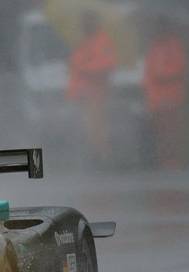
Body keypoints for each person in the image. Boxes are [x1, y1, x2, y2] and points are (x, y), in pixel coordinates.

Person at [66, 11, 118, 167]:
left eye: (87, 23)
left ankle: (103, 159)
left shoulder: (102, 41)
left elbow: (107, 64)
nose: (84, 26)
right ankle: (94, 157)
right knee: (88, 129)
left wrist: (86, 69)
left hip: (96, 94)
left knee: (98, 128)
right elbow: (76, 63)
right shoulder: (85, 41)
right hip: (82, 95)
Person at [143, 18, 187, 170]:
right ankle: (163, 162)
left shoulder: (174, 46)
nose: (157, 31)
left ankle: (174, 163)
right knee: (160, 133)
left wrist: (164, 76)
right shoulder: (155, 47)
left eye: (160, 27)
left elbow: (179, 68)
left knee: (172, 132)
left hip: (171, 97)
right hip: (156, 98)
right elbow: (149, 71)